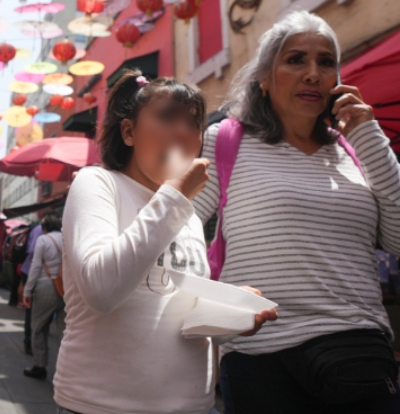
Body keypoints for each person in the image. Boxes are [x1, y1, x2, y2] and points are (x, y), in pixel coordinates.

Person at [192, 11, 400, 413]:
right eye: (295, 60)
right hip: (261, 358)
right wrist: (213, 300)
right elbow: (176, 234)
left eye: (326, 62)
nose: (313, 73)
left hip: (357, 353)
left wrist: (367, 134)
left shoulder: (357, 150)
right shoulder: (226, 141)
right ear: (264, 77)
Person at [54, 70, 277, 413]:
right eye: (166, 118)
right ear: (129, 132)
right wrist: (175, 195)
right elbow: (101, 291)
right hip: (99, 405)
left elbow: (180, 314)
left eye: (193, 123)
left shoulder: (182, 209)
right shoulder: (97, 183)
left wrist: (234, 313)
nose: (183, 132)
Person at [22, 215, 64, 380]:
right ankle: (64, 371)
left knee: (39, 327)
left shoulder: (43, 240)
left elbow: (35, 266)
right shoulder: (68, 239)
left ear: (44, 227)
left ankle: (40, 366)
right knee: (64, 331)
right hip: (66, 287)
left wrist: (27, 291)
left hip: (46, 285)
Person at [18, 221, 44, 355]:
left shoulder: (36, 230)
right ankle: (29, 342)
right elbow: (33, 252)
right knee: (32, 309)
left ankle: (31, 341)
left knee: (33, 310)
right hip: (32, 271)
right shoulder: (40, 231)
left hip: (29, 270)